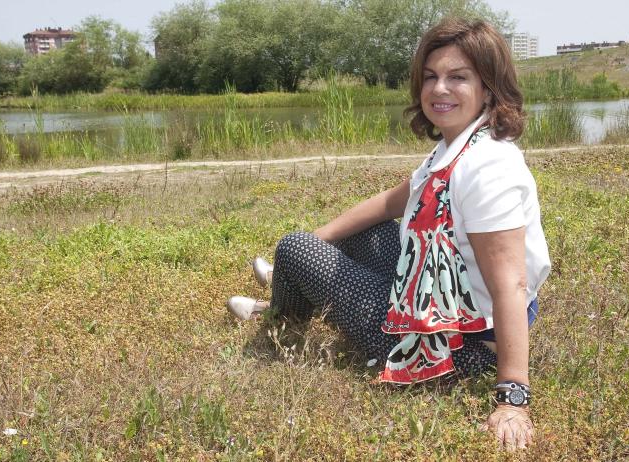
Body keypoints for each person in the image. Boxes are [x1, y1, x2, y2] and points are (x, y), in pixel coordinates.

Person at [227, 17, 550, 450]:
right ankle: (289, 283)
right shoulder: (459, 145)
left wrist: (514, 396)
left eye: (459, 77)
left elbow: (511, 283)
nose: (439, 89)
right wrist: (319, 239)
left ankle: (278, 312)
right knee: (360, 231)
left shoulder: (488, 168)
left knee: (295, 247)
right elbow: (389, 203)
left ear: (488, 87)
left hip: (454, 339)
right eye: (431, 77)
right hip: (440, 296)